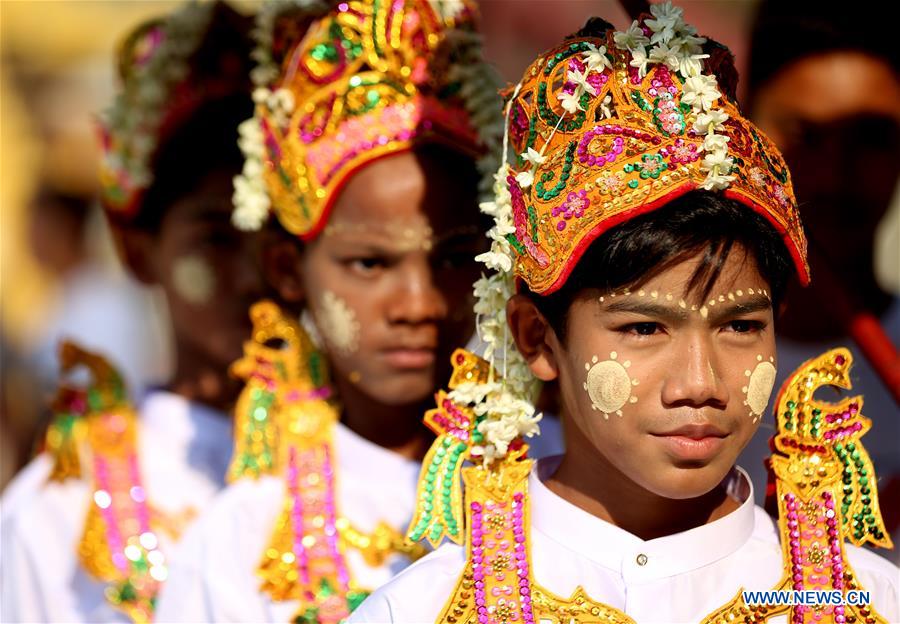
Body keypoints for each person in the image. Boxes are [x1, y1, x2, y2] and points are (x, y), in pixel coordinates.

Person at [349, 3, 899, 622]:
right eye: (643, 328)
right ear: (537, 337)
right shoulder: (421, 608)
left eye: (741, 327)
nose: (701, 385)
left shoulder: (857, 599)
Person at [154, 1, 563, 622]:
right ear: (289, 272)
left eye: (453, 259)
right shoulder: (236, 542)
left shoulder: (568, 483)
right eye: (370, 265)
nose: (418, 305)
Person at [0, 3, 273, 621]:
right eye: (215, 238)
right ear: (137, 250)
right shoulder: (57, 507)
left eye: (273, 236)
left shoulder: (378, 459)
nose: (254, 274)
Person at [739, 1, 900, 540]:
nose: (835, 176)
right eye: (806, 135)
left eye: (872, 138)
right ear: (743, 127)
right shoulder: (655, 358)